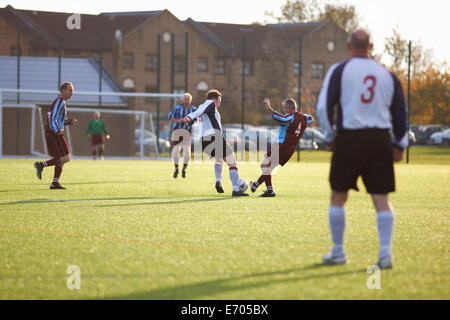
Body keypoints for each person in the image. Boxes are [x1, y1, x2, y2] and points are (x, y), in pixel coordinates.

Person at [316, 29, 407, 269]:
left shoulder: (339, 70)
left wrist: (328, 136)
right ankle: (385, 254)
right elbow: (400, 111)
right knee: (381, 199)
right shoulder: (387, 75)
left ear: (348, 46)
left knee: (338, 196)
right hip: (379, 140)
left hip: (349, 139)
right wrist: (399, 143)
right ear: (372, 46)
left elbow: (324, 106)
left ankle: (338, 252)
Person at [182, 89, 248, 196]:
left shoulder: (202, 107)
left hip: (204, 141)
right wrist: (189, 117)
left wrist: (190, 120)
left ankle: (219, 181)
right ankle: (236, 190)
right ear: (213, 99)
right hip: (214, 137)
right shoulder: (209, 103)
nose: (218, 105)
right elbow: (196, 114)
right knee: (232, 161)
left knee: (220, 159)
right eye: (218, 102)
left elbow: (196, 117)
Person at [250, 98, 314, 197]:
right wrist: (302, 116)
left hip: (282, 144)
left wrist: (270, 109)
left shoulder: (290, 118)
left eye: (284, 108)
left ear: (289, 108)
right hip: (290, 147)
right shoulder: (304, 117)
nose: (283, 110)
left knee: (266, 166)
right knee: (267, 167)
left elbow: (283, 120)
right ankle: (264, 188)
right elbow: (311, 118)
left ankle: (260, 186)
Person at [34, 82, 78, 189]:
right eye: (70, 90)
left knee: (66, 158)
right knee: (60, 158)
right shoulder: (59, 101)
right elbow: (51, 117)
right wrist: (57, 130)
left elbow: (58, 120)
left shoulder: (61, 102)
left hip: (55, 132)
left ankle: (54, 182)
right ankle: (41, 166)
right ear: (63, 91)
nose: (72, 92)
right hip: (53, 133)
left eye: (72, 90)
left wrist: (68, 122)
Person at [168, 93, 197, 178]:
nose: (186, 101)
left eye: (188, 99)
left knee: (187, 152)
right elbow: (170, 116)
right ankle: (176, 168)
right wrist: (178, 121)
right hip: (177, 131)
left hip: (187, 132)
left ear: (190, 100)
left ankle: (184, 168)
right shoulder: (177, 108)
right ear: (182, 99)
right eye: (185, 99)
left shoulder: (193, 109)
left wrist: (191, 121)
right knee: (176, 151)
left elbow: (198, 118)